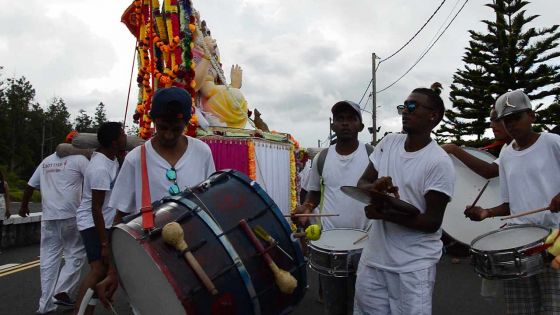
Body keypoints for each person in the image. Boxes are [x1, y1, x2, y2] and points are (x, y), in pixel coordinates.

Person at [96, 87, 216, 308]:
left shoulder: (203, 152)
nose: (169, 134)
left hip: (197, 258)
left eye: (176, 128)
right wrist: (113, 271)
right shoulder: (135, 159)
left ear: (187, 124)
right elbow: (119, 220)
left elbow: (209, 206)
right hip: (149, 263)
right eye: (162, 127)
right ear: (152, 121)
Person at [354, 85, 455, 315]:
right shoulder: (388, 144)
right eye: (403, 107)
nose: (405, 111)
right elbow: (362, 184)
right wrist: (375, 189)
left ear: (433, 116)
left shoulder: (438, 162)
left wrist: (384, 214)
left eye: (412, 106)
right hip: (374, 260)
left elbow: (431, 222)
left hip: (412, 267)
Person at [464, 89, 560, 314]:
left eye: (516, 117)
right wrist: (485, 212)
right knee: (521, 309)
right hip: (520, 244)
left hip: (555, 240)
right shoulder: (506, 155)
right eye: (506, 120)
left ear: (532, 115)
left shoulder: (553, 143)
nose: (511, 124)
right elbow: (510, 205)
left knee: (554, 308)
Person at [295, 100, 372, 315]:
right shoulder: (323, 158)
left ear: (360, 125)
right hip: (330, 244)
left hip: (366, 242)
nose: (345, 123)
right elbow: (314, 193)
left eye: (351, 119)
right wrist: (307, 208)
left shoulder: (371, 154)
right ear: (333, 126)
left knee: (363, 304)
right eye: (340, 119)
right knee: (334, 305)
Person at [20, 148, 89, 314]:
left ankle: (45, 306)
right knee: (75, 253)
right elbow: (94, 180)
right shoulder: (80, 159)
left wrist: (23, 206)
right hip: (71, 214)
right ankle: (61, 291)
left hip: (49, 216)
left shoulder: (47, 161)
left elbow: (30, 186)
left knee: (48, 261)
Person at [73, 122, 126, 315]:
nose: (125, 138)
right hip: (92, 223)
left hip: (104, 221)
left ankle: (86, 310)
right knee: (97, 270)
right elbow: (96, 207)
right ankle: (78, 312)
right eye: (122, 134)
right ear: (113, 142)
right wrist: (104, 243)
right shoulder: (99, 168)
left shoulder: (111, 159)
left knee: (103, 272)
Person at [441, 107, 512, 179]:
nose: (491, 125)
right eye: (491, 120)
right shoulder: (506, 147)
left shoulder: (518, 147)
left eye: (497, 120)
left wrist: (453, 149)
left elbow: (489, 171)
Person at [0, 170, 11, 250]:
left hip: (1, 205)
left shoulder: (4, 184)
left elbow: (7, 197)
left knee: (0, 225)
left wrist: (8, 209)